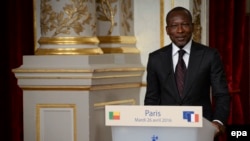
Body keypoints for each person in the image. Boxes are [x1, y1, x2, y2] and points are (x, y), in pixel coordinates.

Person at [144, 6, 230, 137]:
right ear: (167, 30)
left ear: (193, 27)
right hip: (166, 131)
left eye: (185, 24)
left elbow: (222, 94)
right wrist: (151, 127)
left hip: (201, 130)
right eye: (174, 26)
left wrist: (217, 122)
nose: (180, 30)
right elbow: (151, 98)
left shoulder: (210, 55)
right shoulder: (155, 58)